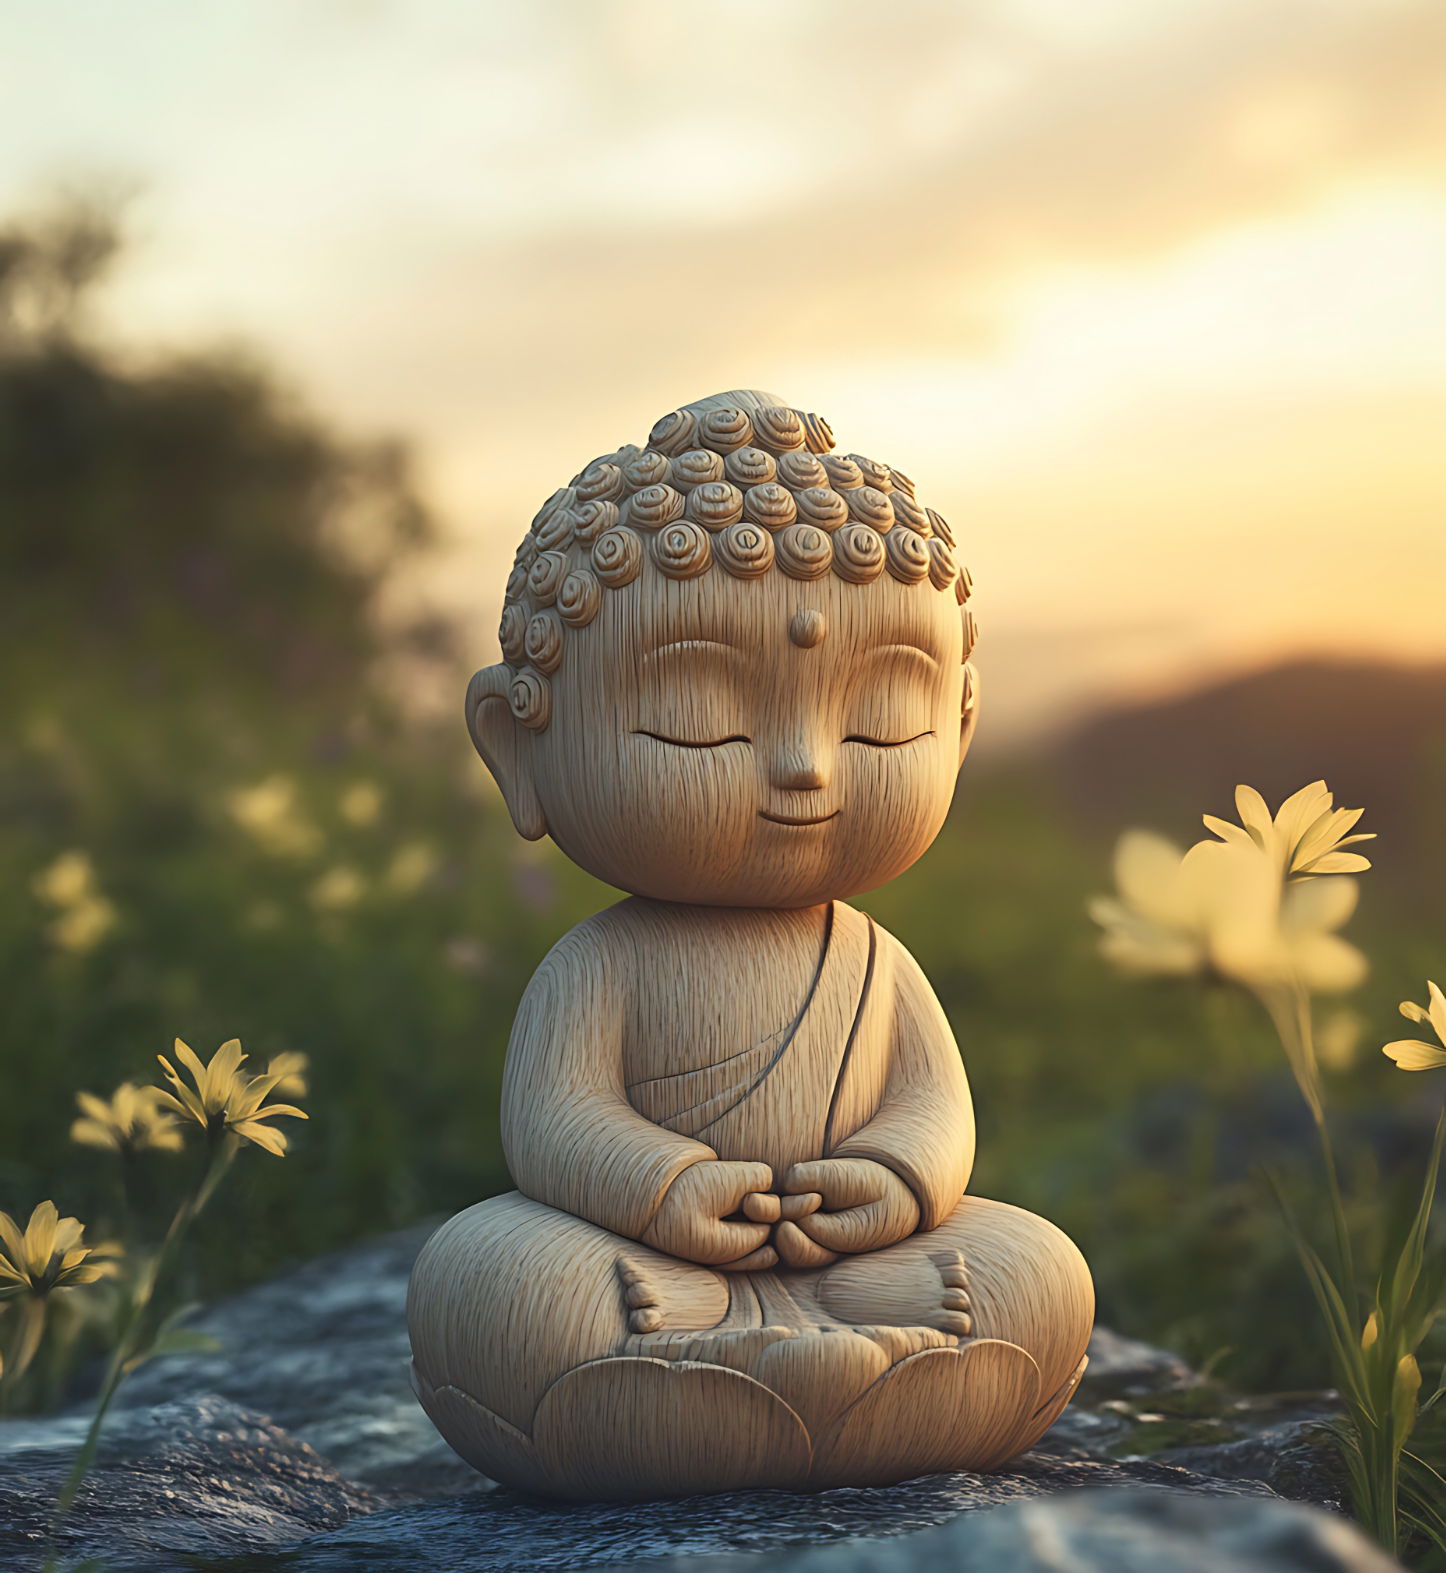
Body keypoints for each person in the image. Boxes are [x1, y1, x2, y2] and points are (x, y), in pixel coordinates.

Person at [408, 391, 1092, 1499]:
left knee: (1034, 1268)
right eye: (698, 716)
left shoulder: (875, 961)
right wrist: (666, 1186)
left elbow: (933, 1107)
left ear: (958, 731)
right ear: (518, 747)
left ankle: (751, 1364)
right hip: (651, 1262)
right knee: (493, 1275)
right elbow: (555, 1119)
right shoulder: (603, 963)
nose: (806, 766)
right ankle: (798, 1364)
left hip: (861, 1266)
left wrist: (892, 1181)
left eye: (878, 719)